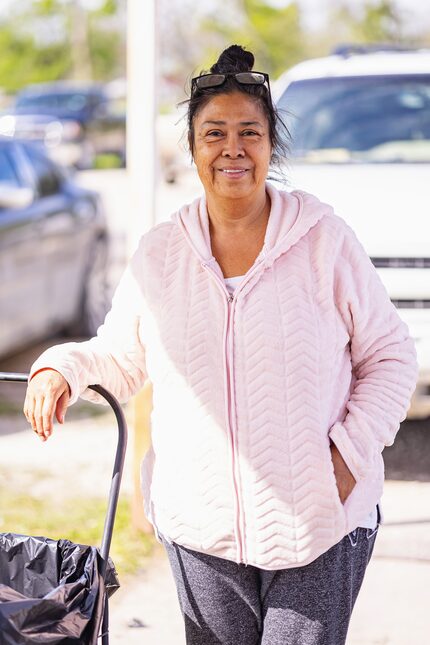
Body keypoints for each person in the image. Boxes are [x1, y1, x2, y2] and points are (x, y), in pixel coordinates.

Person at [24, 44, 418, 645]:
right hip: (200, 526)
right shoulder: (161, 253)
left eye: (249, 132)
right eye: (214, 132)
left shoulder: (324, 242)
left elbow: (390, 356)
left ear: (270, 145)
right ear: (191, 148)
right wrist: (62, 368)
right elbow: (121, 356)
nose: (232, 148)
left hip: (317, 521)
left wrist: (347, 456)